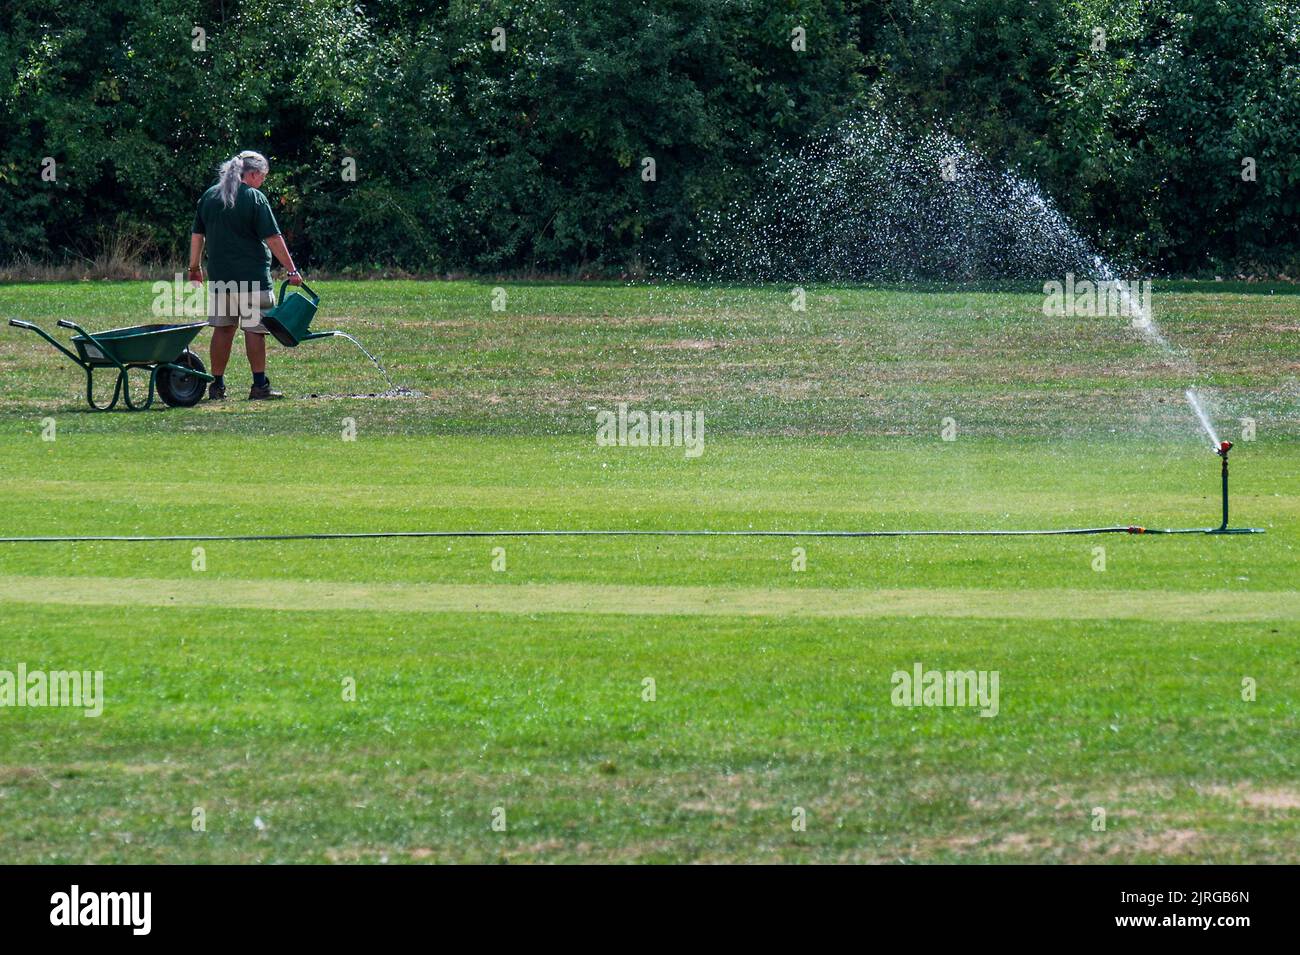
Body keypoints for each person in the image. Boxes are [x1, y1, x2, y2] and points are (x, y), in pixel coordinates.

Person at [187, 150, 303, 400]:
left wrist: (194, 269)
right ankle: (259, 386)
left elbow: (198, 236)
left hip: (220, 279)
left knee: (223, 329)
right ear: (251, 174)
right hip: (252, 278)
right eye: (262, 176)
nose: (262, 181)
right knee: (254, 329)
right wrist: (291, 269)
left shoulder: (209, 197)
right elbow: (273, 238)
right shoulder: (254, 198)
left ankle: (216, 386)